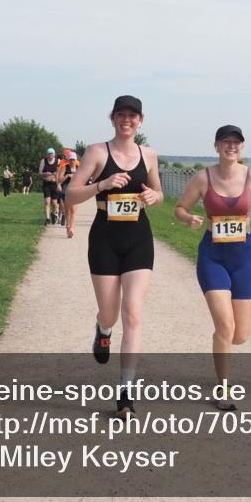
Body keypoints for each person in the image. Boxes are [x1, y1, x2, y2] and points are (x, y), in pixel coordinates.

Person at [65, 95, 163, 418]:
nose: (127, 120)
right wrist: (103, 183)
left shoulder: (148, 155)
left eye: (132, 116)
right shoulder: (97, 152)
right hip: (105, 238)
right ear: (113, 118)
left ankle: (125, 393)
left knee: (133, 314)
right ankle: (102, 330)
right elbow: (70, 194)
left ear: (141, 121)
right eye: (121, 115)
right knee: (110, 314)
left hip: (138, 238)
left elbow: (159, 193)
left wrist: (153, 195)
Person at [174, 125, 251, 410]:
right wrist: (188, 218)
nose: (231, 146)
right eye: (226, 142)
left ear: (242, 148)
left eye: (236, 142)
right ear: (216, 146)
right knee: (225, 325)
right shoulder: (202, 178)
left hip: (244, 256)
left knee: (239, 335)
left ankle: (222, 343)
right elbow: (179, 208)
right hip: (212, 257)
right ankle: (223, 388)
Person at [57, 151, 79, 238]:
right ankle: (67, 227)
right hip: (66, 189)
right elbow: (59, 180)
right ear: (68, 160)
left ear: (76, 160)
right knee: (67, 211)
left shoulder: (79, 168)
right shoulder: (65, 168)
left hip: (76, 189)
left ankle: (71, 229)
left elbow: (84, 179)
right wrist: (67, 176)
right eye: (70, 160)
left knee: (73, 210)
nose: (72, 161)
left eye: (73, 160)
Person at [39, 148, 59, 225]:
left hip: (54, 184)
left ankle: (53, 214)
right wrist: (45, 173)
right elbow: (40, 173)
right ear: (47, 154)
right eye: (49, 154)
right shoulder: (43, 161)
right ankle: (47, 218)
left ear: (54, 154)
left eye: (52, 154)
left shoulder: (58, 161)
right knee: (47, 201)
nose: (50, 155)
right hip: (46, 184)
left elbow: (60, 171)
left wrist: (55, 174)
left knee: (54, 203)